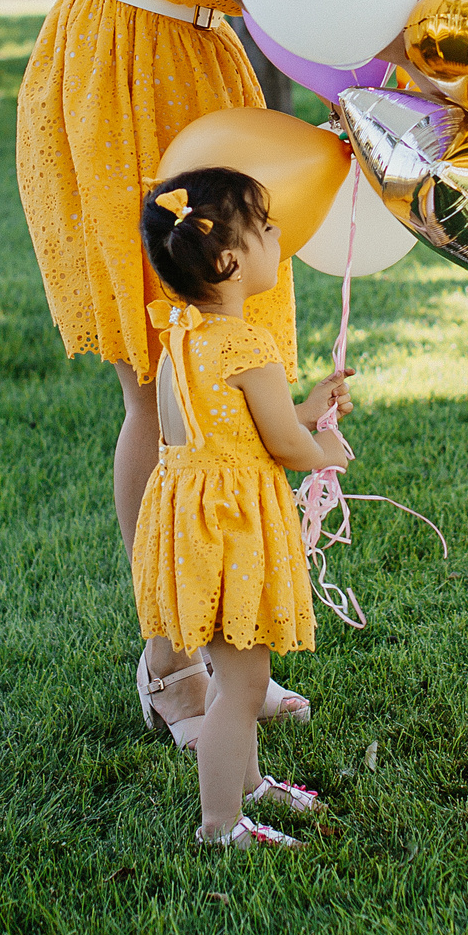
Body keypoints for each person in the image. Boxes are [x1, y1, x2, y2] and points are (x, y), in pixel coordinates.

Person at [15, 0, 313, 736]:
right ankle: (166, 662)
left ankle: (226, 655)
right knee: (161, 379)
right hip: (117, 96)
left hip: (210, 90)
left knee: (233, 378)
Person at [130, 168, 352, 848]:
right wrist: (324, 448)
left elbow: (223, 428)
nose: (278, 233)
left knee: (233, 673)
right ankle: (221, 823)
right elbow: (280, 443)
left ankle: (250, 783)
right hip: (232, 536)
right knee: (245, 686)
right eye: (265, 227)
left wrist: (307, 406)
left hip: (189, 531)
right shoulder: (249, 344)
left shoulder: (183, 341)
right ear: (229, 261)